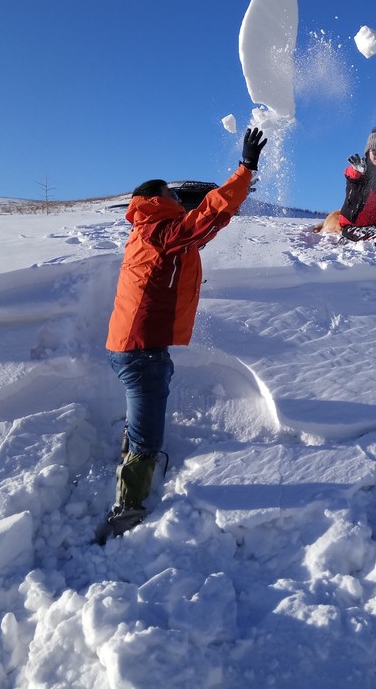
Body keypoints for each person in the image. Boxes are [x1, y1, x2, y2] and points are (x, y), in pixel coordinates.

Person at [98, 127, 267, 540]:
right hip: (140, 352)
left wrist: (236, 191)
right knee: (147, 439)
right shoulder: (159, 232)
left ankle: (130, 466)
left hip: (134, 347)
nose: (179, 200)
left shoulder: (151, 232)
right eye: (173, 196)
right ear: (158, 199)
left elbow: (201, 231)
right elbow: (201, 222)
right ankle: (126, 515)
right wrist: (244, 170)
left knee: (144, 421)